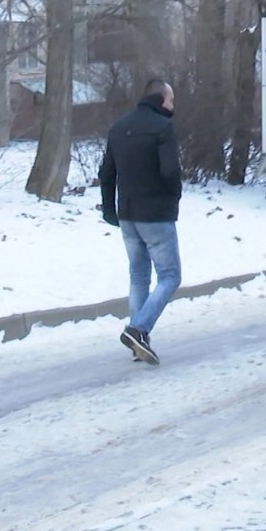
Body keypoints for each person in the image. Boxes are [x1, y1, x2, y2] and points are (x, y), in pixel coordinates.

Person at [99, 79, 183, 365]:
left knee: (138, 276)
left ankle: (138, 339)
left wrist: (109, 208)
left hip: (127, 214)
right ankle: (138, 328)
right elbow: (171, 171)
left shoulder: (119, 127)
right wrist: (174, 200)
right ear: (161, 100)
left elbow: (107, 172)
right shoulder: (163, 128)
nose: (173, 106)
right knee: (170, 276)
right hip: (156, 214)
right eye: (171, 100)